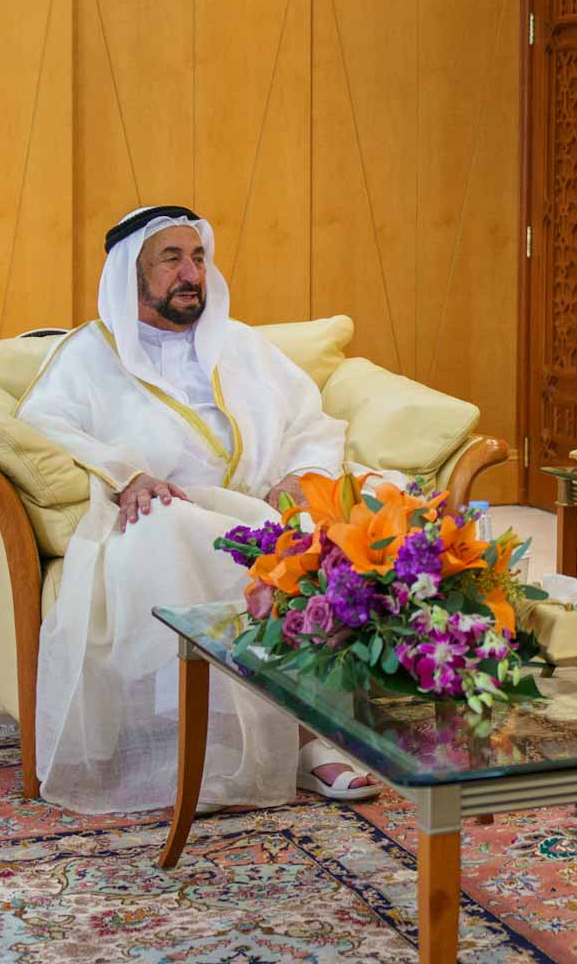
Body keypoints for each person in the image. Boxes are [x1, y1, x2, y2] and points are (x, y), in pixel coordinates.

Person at [19, 205, 383, 813]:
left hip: (261, 501)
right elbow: (43, 425)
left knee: (357, 513)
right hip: (166, 512)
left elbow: (309, 419)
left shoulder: (242, 345)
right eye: (171, 259)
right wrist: (125, 473)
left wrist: (302, 474)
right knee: (181, 535)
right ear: (129, 273)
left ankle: (310, 736)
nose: (191, 274)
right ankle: (249, 746)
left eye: (198, 258)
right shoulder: (89, 353)